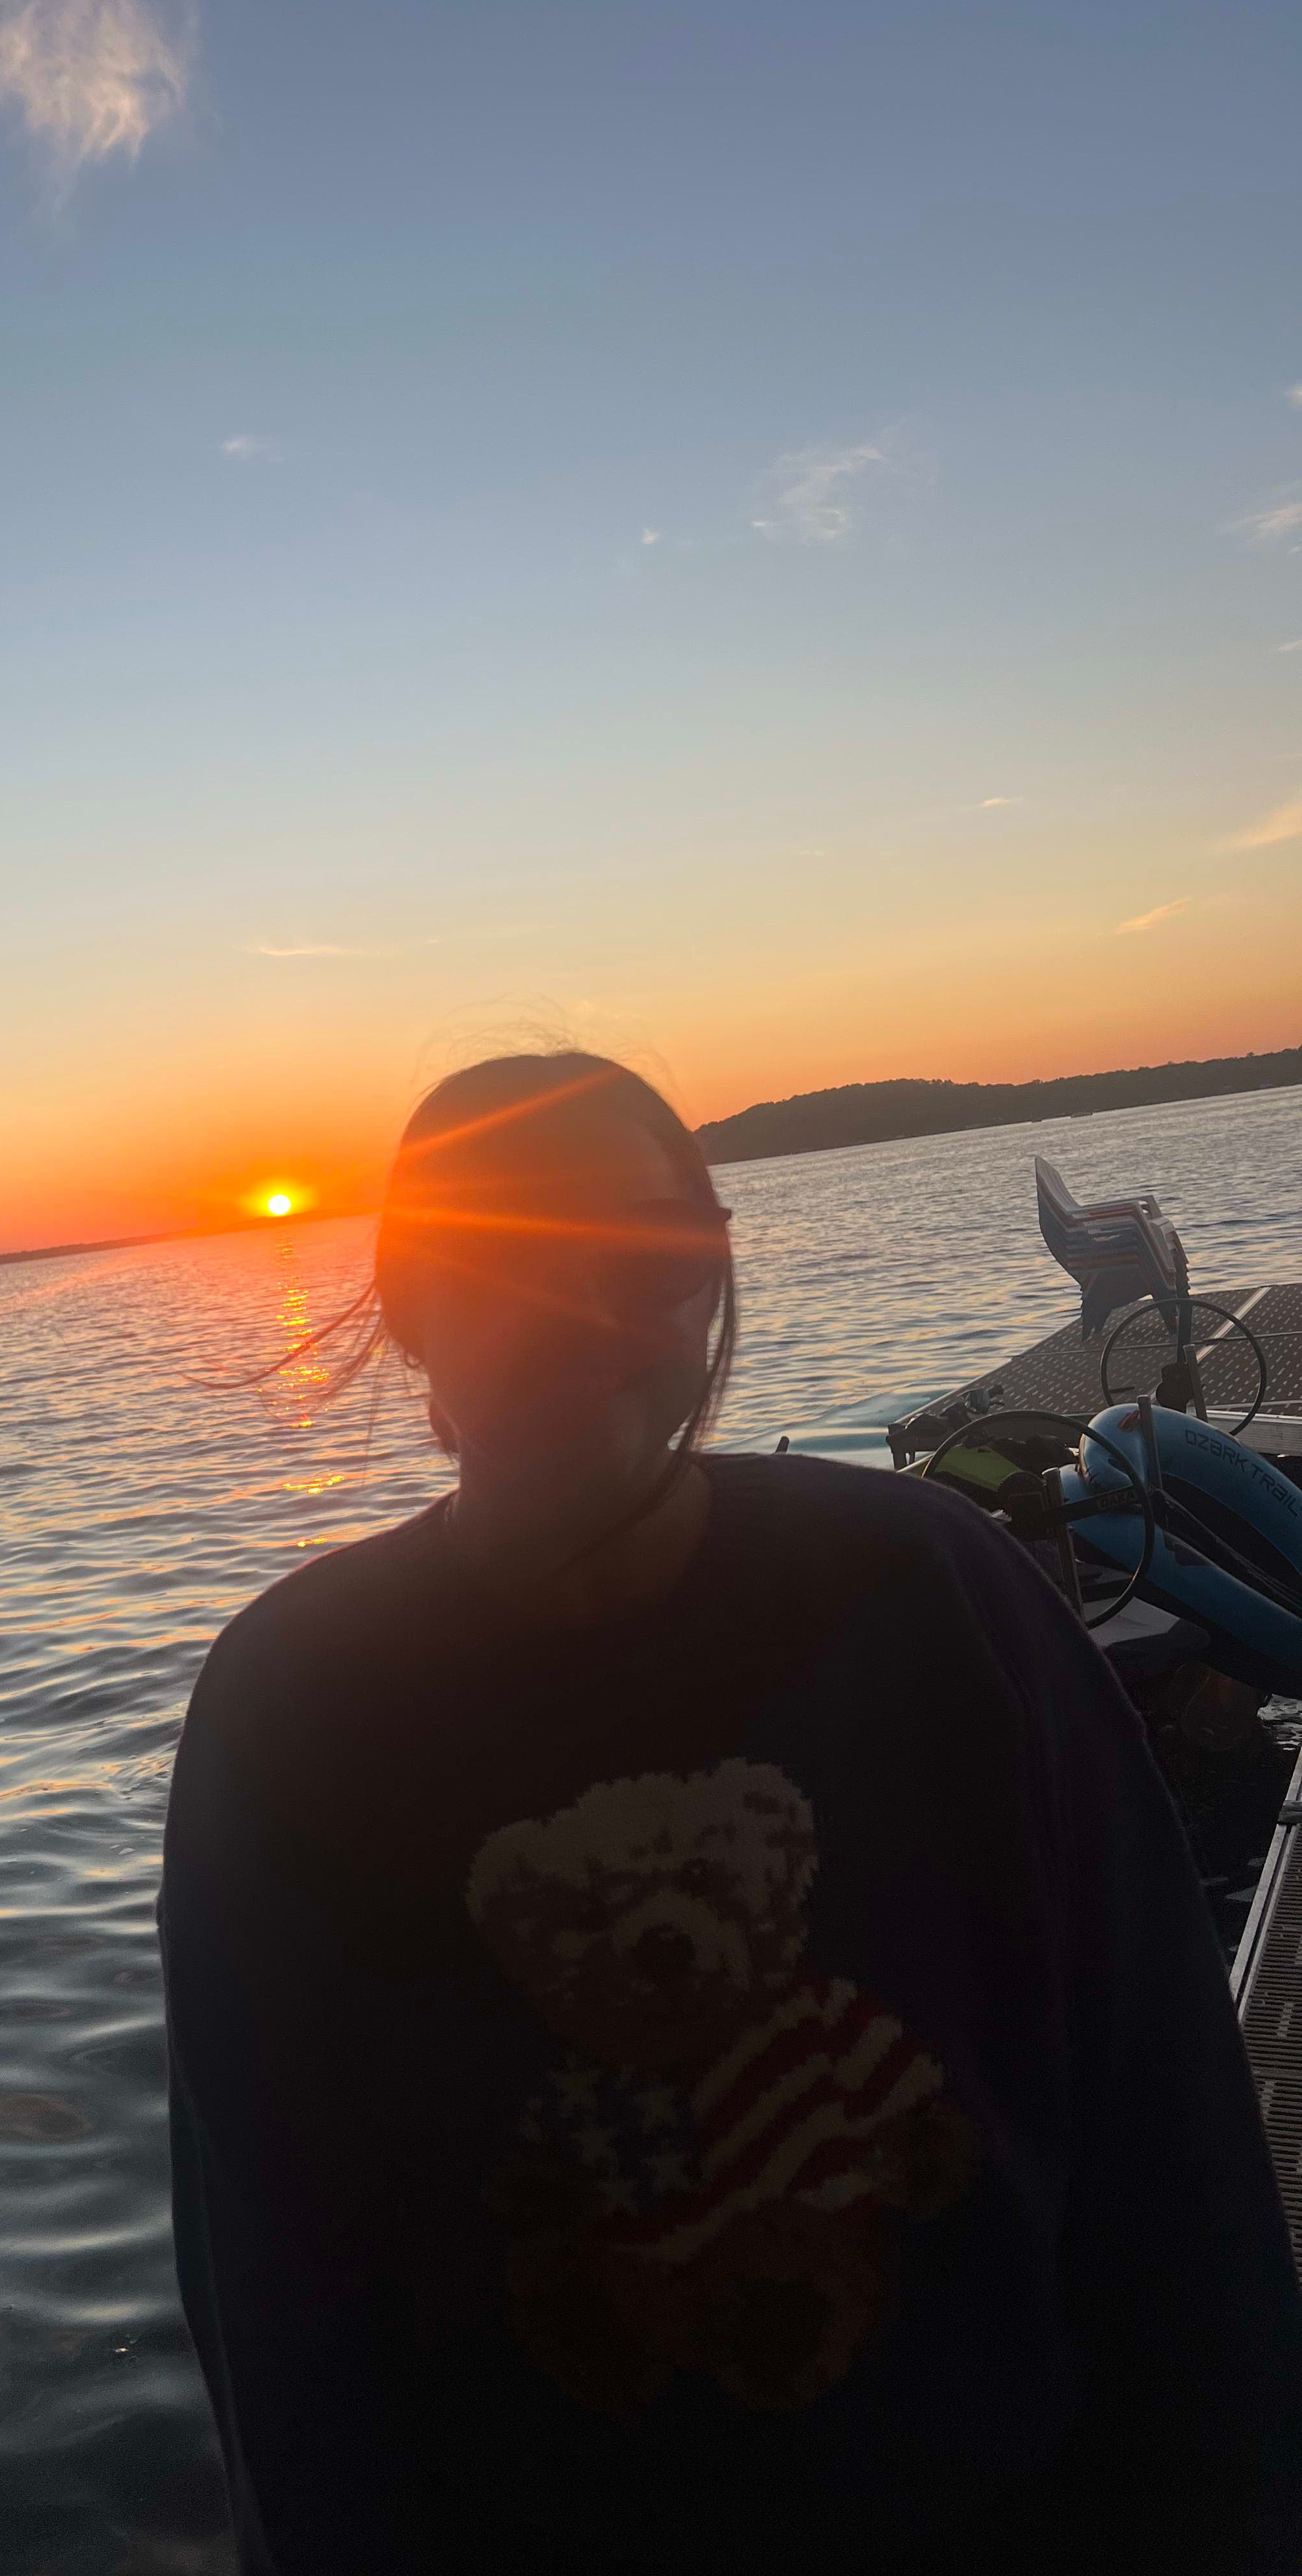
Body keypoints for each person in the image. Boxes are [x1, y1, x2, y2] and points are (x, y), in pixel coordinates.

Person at [157, 1051, 1302, 2574]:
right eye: (511, 1253)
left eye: (646, 1249)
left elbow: (1171, 2131)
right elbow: (285, 2312)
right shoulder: (293, 1709)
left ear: (710, 1275)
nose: (588, 1310)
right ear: (412, 1300)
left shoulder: (936, 1595)